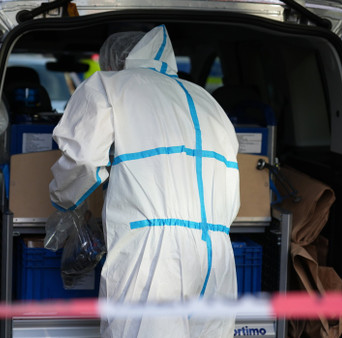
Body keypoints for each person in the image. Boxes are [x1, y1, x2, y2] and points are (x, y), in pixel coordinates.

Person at [49, 25, 240, 337]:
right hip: (217, 253)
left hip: (155, 257)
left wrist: (62, 199)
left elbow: (82, 161)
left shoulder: (110, 85)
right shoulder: (207, 100)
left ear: (113, 63)